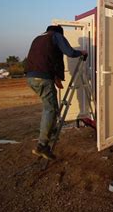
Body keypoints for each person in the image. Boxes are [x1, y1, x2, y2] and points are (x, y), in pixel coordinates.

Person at [25, 25, 87, 160]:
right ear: (59, 32)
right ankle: (42, 145)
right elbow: (69, 52)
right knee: (50, 110)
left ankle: (49, 132)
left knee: (51, 107)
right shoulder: (56, 35)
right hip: (42, 78)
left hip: (31, 77)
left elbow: (47, 59)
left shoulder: (39, 38)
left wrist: (56, 78)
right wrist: (81, 52)